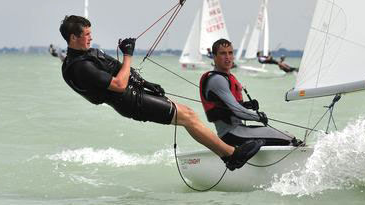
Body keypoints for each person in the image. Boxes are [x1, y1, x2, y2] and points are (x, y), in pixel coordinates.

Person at [59, 15, 261, 170]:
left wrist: (147, 84)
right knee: (188, 117)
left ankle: (227, 152)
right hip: (130, 102)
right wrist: (129, 54)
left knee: (188, 114)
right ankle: (231, 155)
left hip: (135, 94)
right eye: (86, 34)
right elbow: (119, 84)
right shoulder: (80, 67)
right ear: (73, 37)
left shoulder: (85, 56)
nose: (91, 37)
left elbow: (120, 72)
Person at [200, 39, 299, 146]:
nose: (228, 57)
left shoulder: (226, 77)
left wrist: (246, 105)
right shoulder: (217, 80)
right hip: (231, 134)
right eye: (223, 53)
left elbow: (228, 107)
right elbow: (237, 111)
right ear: (214, 57)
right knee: (289, 138)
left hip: (238, 130)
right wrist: (258, 116)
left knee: (288, 135)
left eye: (230, 53)